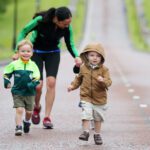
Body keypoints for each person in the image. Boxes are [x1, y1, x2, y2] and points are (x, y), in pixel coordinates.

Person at [12, 6, 82, 128]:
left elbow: (70, 43)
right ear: (56, 19)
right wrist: (17, 51)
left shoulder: (66, 27)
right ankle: (37, 107)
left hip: (53, 53)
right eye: (65, 23)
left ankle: (47, 117)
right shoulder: (40, 20)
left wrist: (76, 56)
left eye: (69, 23)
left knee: (51, 82)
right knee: (38, 85)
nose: (67, 26)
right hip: (37, 52)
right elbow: (24, 31)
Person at [68, 43, 112, 145]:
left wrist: (103, 80)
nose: (95, 58)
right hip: (86, 96)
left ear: (102, 57)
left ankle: (97, 134)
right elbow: (78, 79)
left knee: (97, 118)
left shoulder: (104, 69)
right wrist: (72, 86)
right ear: (87, 56)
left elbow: (109, 82)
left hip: (99, 98)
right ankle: (86, 132)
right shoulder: (83, 68)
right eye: (92, 55)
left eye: (98, 56)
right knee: (86, 114)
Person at [3, 40, 40, 136]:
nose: (25, 53)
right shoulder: (14, 64)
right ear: (18, 52)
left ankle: (26, 121)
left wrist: (32, 84)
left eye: (28, 51)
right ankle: (18, 127)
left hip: (29, 92)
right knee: (19, 109)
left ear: (32, 53)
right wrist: (7, 81)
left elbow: (37, 78)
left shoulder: (33, 65)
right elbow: (6, 73)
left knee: (29, 112)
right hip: (17, 91)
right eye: (23, 51)